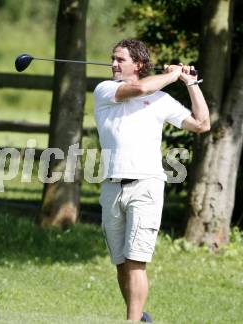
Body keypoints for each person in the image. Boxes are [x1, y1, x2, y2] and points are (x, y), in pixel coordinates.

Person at [93, 39, 210, 322]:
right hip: (111, 186)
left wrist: (190, 84)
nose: (113, 64)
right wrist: (172, 75)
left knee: (135, 262)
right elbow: (142, 87)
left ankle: (132, 322)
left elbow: (202, 124)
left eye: (120, 60)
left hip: (146, 186)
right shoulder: (107, 90)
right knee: (121, 264)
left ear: (140, 64)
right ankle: (138, 317)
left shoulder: (160, 100)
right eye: (113, 58)